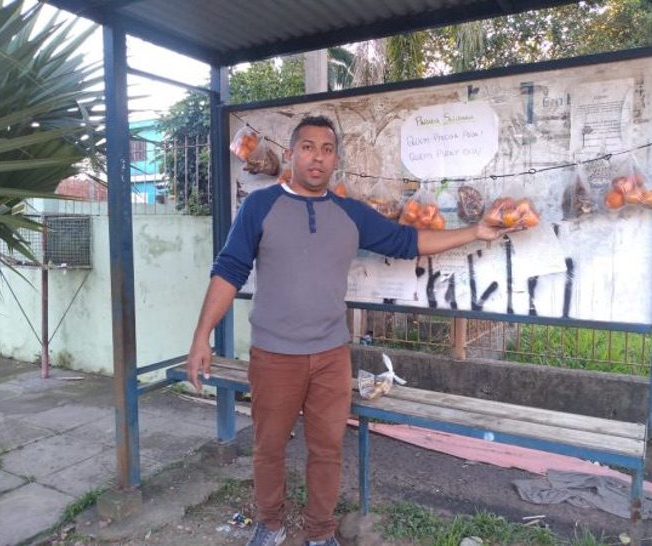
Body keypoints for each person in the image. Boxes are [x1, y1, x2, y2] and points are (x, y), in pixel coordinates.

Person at [186, 115, 515, 546]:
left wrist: (476, 231)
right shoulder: (259, 206)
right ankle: (270, 523)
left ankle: (320, 532)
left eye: (326, 149)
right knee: (268, 448)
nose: (316, 157)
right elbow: (228, 271)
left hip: (330, 357)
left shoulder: (350, 213)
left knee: (326, 449)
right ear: (290, 154)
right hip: (273, 355)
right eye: (307, 147)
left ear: (335, 159)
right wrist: (201, 337)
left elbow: (407, 242)